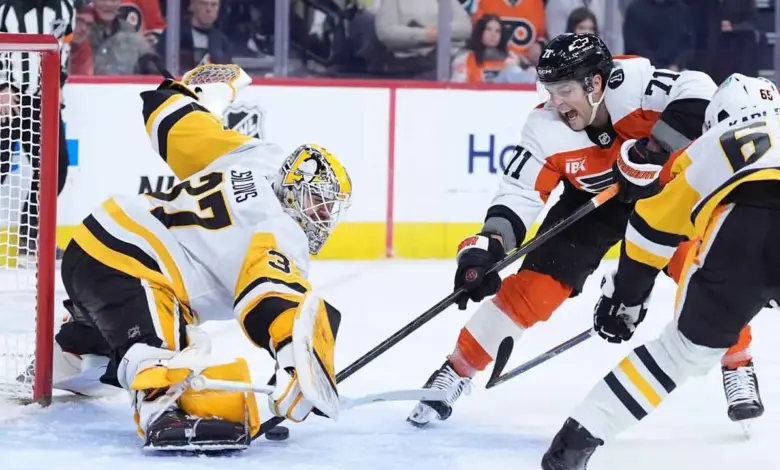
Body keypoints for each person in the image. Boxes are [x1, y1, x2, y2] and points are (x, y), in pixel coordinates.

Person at [406, 33, 762, 429]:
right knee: (533, 290)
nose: (556, 102)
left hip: (662, 200)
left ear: (595, 83)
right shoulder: (543, 127)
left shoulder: (634, 84)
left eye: (565, 90)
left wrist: (655, 151)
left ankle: (738, 363)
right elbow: (519, 193)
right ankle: (455, 372)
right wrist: (488, 247)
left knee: (702, 274)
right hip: (592, 205)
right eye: (550, 91)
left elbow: (700, 89)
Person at [45, 64, 353, 451]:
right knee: (166, 351)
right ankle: (161, 408)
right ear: (294, 190)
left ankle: (71, 354)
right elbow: (270, 295)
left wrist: (193, 95)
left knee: (110, 352)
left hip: (99, 245)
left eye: (328, 209)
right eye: (318, 203)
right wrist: (296, 362)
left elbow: (176, 127)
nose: (322, 216)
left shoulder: (258, 157)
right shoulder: (280, 230)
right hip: (135, 264)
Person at [541, 73, 780, 469]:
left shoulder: (710, 145)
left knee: (680, 353)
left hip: (741, 233)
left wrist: (627, 297)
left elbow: (652, 227)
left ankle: (574, 443)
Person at [0, 0, 75, 260]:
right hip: (9, 97)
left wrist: (59, 84)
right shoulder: (6, 7)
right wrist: (2, 87)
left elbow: (63, 47)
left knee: (56, 167)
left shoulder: (65, 7)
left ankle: (32, 238)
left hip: (44, 97)